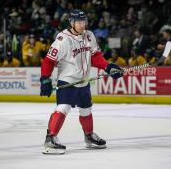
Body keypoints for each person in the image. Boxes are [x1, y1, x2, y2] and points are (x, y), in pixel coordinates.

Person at [40, 9, 124, 154]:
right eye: (79, 22)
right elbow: (49, 61)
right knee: (63, 108)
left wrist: (108, 67)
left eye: (84, 21)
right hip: (67, 81)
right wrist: (45, 79)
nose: (82, 24)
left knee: (86, 110)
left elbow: (95, 56)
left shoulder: (89, 35)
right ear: (72, 22)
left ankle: (89, 136)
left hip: (84, 82)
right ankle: (50, 138)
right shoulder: (62, 39)